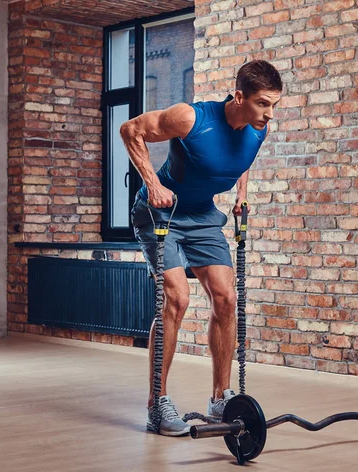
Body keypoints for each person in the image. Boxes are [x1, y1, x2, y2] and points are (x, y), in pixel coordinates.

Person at [120, 59, 282, 436]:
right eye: (263, 104)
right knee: (177, 299)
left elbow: (240, 159)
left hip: (203, 215)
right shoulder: (190, 118)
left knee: (226, 298)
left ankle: (220, 398)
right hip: (161, 212)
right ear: (239, 96)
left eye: (274, 104)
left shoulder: (258, 129)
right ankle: (156, 404)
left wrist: (242, 193)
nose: (269, 114)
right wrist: (153, 184)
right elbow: (131, 130)